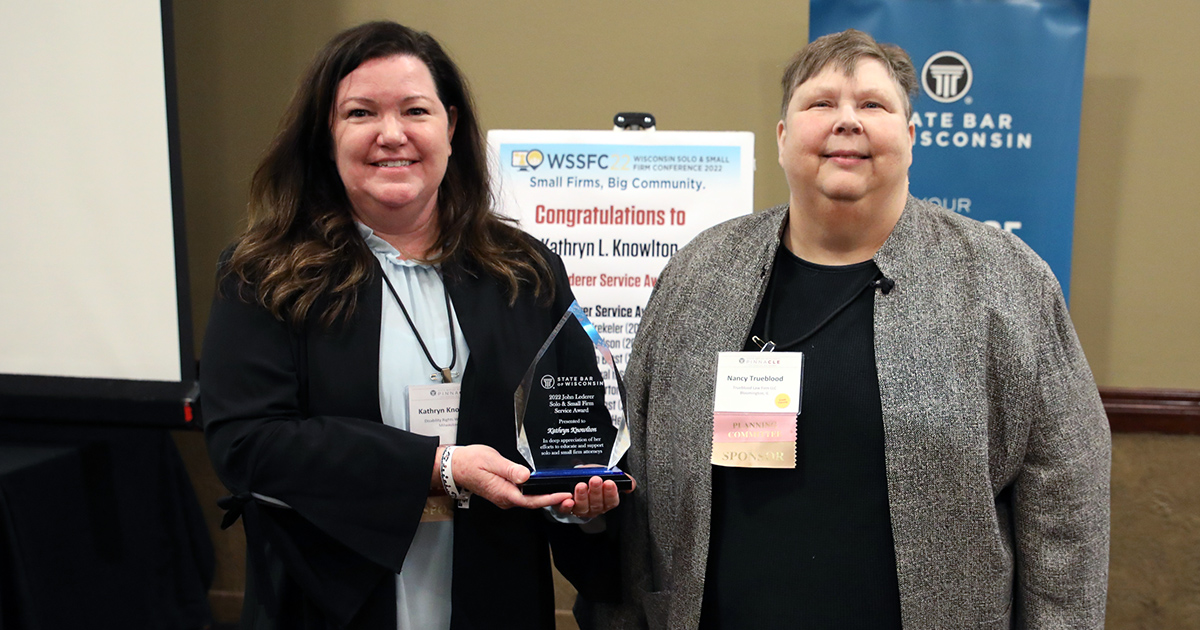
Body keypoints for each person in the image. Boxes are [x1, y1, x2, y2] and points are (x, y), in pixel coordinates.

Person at [587, 29, 1110, 629]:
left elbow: (1067, 509)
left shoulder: (1005, 281)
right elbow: (641, 477)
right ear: (783, 138)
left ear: (911, 139)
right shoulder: (700, 272)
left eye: (873, 105)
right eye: (820, 103)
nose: (847, 122)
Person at [200, 21, 625, 630]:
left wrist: (582, 503)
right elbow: (247, 444)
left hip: (494, 594)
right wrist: (437, 467)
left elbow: (574, 432)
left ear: (450, 127)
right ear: (326, 134)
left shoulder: (528, 272)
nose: (391, 134)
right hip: (327, 600)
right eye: (361, 113)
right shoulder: (262, 274)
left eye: (415, 110)